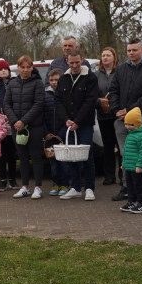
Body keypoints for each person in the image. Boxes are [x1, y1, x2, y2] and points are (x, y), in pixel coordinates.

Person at [108, 38, 142, 205]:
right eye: (129, 50)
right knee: (126, 156)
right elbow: (113, 91)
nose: (131, 53)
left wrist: (130, 111)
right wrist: (116, 109)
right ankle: (127, 188)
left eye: (135, 50)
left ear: (141, 51)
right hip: (121, 121)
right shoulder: (121, 69)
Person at [55, 51, 99, 201]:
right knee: (71, 156)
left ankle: (89, 188)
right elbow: (58, 101)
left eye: (77, 63)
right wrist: (66, 119)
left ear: (82, 60)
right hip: (68, 124)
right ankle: (75, 187)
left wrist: (78, 121)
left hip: (85, 124)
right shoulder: (63, 79)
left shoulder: (91, 78)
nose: (74, 66)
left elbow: (90, 102)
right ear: (67, 61)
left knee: (87, 156)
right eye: (71, 63)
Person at [5, 55, 47, 199]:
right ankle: (24, 187)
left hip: (34, 126)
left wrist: (24, 121)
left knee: (35, 156)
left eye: (28, 67)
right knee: (22, 158)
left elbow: (38, 104)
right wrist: (15, 121)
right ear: (18, 68)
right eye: (22, 67)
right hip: (16, 127)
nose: (25, 70)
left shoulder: (38, 83)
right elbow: (6, 104)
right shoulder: (12, 84)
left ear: (32, 68)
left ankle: (38, 187)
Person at [94, 47, 120, 186]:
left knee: (121, 147)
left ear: (114, 57)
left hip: (118, 116)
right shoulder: (96, 75)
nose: (105, 58)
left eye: (108, 55)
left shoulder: (120, 73)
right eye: (103, 55)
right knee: (108, 148)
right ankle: (109, 176)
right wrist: (99, 102)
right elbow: (92, 95)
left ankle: (123, 175)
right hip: (103, 116)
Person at [0, 58, 17, 190]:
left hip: (12, 120)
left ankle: (12, 179)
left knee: (12, 153)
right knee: (1, 153)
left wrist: (11, 115)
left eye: (5, 69)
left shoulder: (15, 83)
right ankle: (3, 179)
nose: (3, 71)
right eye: (0, 70)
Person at [43, 67, 70, 197]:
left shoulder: (66, 94)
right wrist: (45, 132)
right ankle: (55, 183)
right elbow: (41, 116)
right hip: (49, 135)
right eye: (51, 80)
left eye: (57, 80)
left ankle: (65, 184)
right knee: (53, 162)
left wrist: (62, 132)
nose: (54, 82)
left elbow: (69, 115)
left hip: (62, 134)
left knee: (64, 162)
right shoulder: (44, 95)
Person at [120, 107, 142, 213]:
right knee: (130, 185)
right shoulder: (131, 134)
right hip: (129, 166)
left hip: (137, 167)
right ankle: (131, 202)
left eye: (130, 124)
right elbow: (127, 152)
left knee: (139, 185)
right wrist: (124, 163)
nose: (127, 126)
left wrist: (140, 165)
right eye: (126, 124)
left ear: (137, 124)